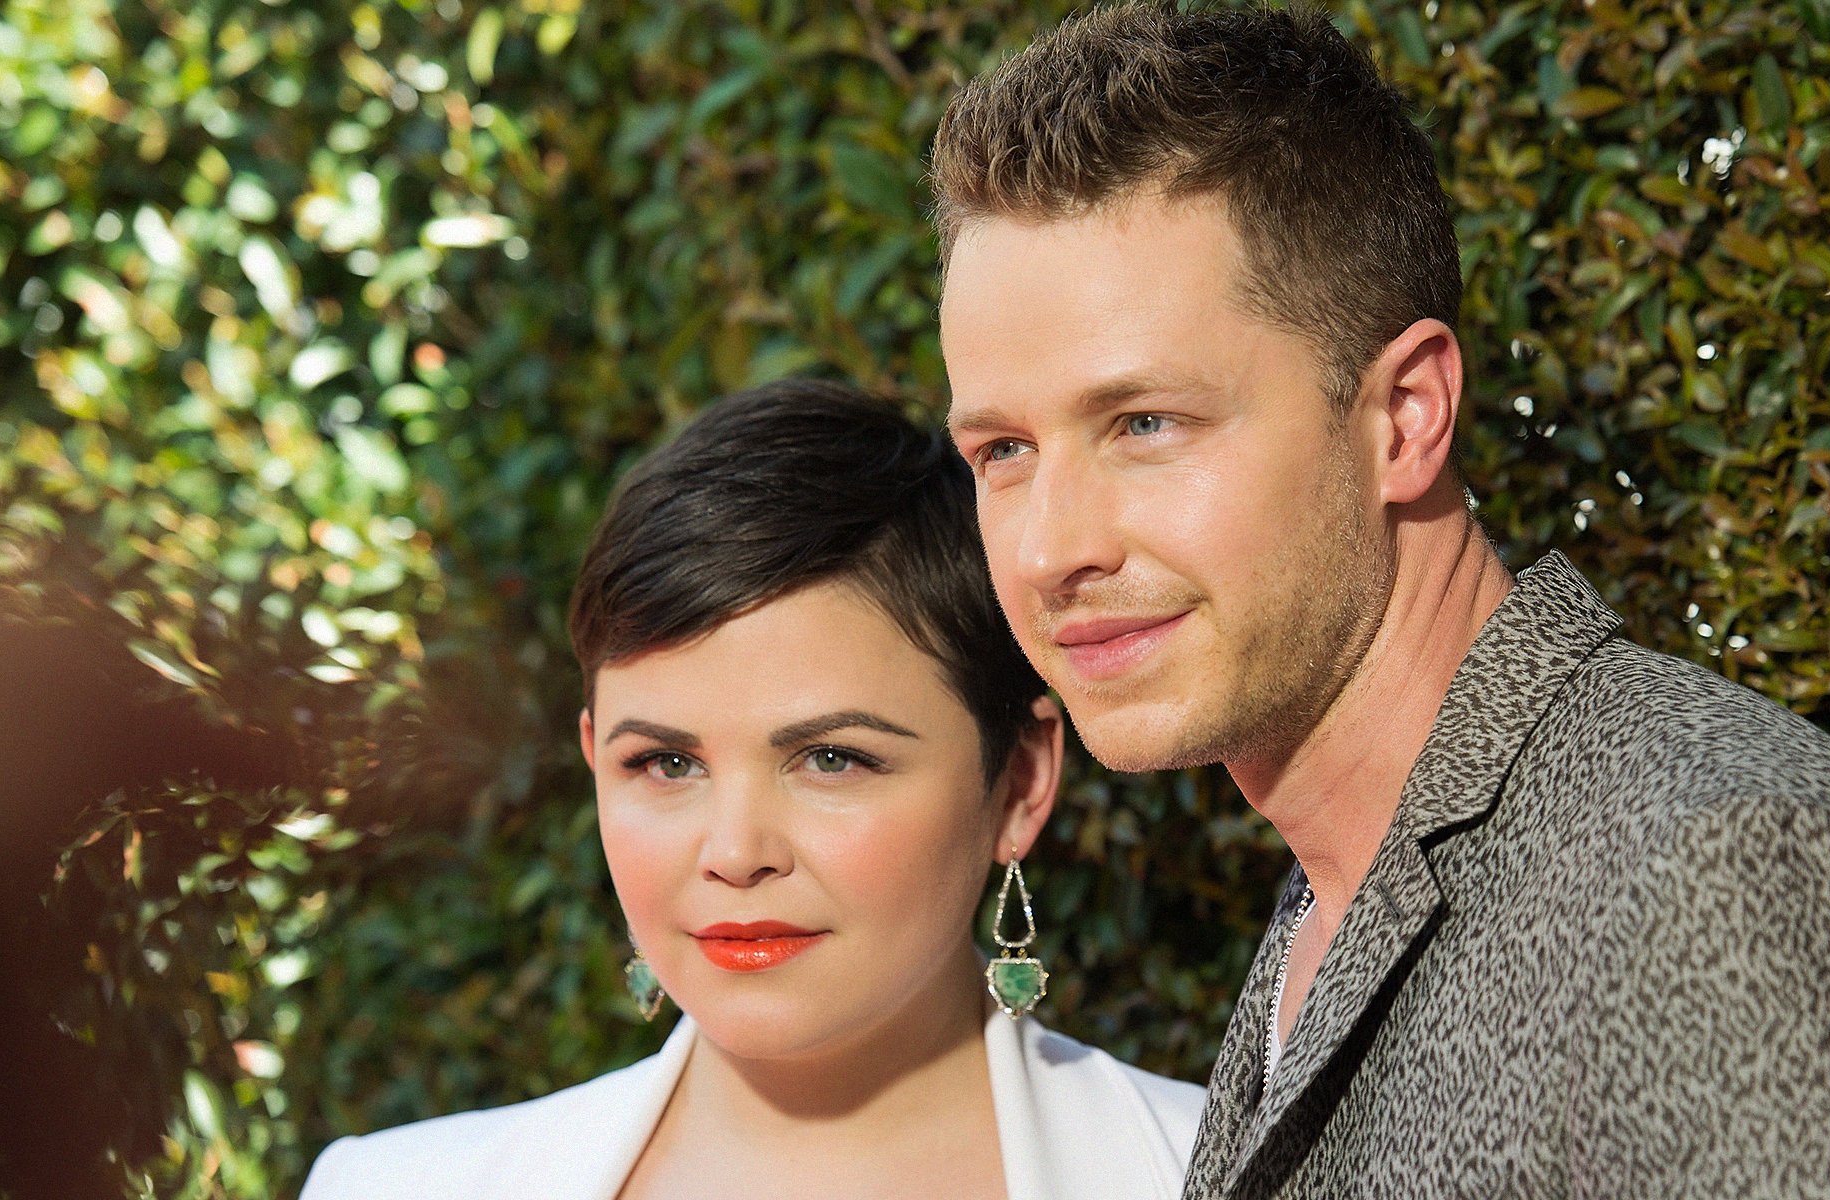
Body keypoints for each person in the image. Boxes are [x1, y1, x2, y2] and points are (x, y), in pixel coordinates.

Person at [931, 5, 1830, 1198]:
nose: (1052, 546)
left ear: (1406, 417)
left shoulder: (1731, 882)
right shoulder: (1339, 903)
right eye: (1003, 450)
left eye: (1146, 425)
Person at [299, 381, 1204, 1199]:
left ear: (1019, 779)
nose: (735, 854)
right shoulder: (390, 1185)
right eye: (666, 764)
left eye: (832, 760)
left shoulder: (1227, 1174)